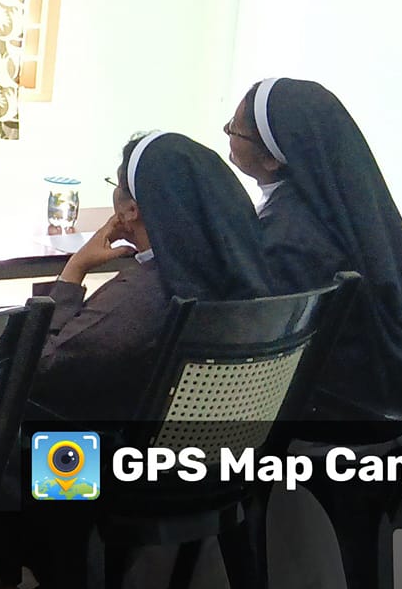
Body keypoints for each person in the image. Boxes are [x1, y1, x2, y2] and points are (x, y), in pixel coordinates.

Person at [226, 78, 402, 428]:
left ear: (272, 159)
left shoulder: (287, 238)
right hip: (389, 414)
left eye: (235, 129)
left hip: (333, 426)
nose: (228, 135)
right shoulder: (353, 211)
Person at [27, 130, 272, 432]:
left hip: (93, 466)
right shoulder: (245, 276)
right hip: (209, 463)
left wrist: (73, 271)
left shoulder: (142, 295)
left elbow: (41, 367)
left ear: (131, 210)